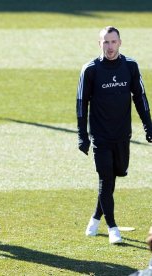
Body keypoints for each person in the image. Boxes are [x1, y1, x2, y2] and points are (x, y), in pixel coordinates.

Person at [76, 26, 152, 244]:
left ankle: (96, 217)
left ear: (120, 43)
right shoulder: (90, 70)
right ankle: (112, 228)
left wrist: (148, 126)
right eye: (105, 42)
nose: (109, 47)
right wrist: (82, 135)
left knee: (113, 177)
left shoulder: (130, 66)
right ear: (99, 44)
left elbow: (141, 97)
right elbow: (82, 104)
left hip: (122, 135)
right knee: (105, 178)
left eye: (113, 42)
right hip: (100, 136)